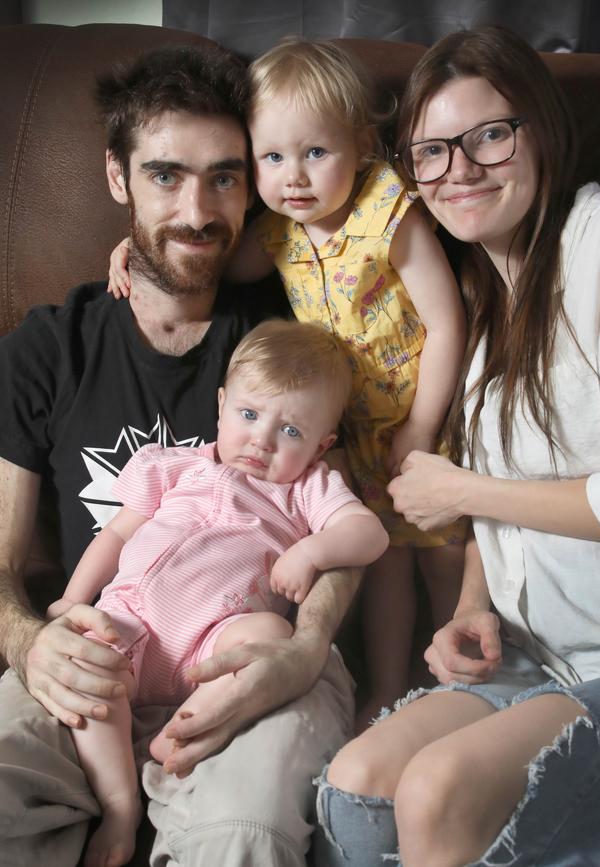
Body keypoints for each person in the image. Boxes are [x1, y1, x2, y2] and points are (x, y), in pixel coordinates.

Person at [0, 44, 364, 867]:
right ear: (116, 176)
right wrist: (29, 641)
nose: (198, 209)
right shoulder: (47, 349)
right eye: (166, 175)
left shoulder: (294, 333)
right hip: (98, 654)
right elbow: (1, 559)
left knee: (243, 837)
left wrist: (305, 650)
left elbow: (347, 520)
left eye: (225, 177)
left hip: (252, 656)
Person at [313, 25, 600, 867]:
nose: (458, 169)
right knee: (355, 786)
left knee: (437, 791)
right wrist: (472, 606)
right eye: (430, 151)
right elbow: (504, 501)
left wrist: (461, 492)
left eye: (489, 135)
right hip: (542, 658)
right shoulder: (482, 316)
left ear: (543, 131)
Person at [108, 37, 468, 729]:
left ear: (361, 145)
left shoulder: (387, 214)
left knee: (440, 549)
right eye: (271, 158)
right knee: (385, 559)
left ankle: (455, 669)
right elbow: (201, 252)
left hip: (420, 412)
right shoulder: (279, 233)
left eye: (315, 153)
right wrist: (138, 248)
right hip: (344, 430)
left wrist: (423, 425)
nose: (294, 177)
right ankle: (390, 688)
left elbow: (446, 323)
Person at [44, 319, 389, 867]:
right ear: (222, 405)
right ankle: (119, 807)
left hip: (215, 643)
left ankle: (182, 735)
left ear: (323, 444)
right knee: (89, 669)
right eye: (249, 415)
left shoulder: (307, 489)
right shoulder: (173, 466)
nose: (262, 439)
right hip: (132, 623)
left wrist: (311, 552)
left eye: (292, 431)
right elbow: (115, 536)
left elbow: (371, 534)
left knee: (271, 635)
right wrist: (71, 600)